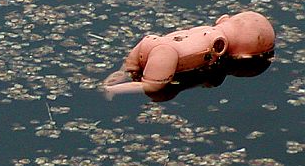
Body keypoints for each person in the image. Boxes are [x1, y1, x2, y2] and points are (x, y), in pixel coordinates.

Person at [103, 11, 275, 100]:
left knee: (132, 67)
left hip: (151, 41)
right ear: (242, 55)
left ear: (223, 19)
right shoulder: (218, 43)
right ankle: (114, 90)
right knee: (152, 87)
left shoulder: (205, 29)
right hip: (166, 54)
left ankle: (123, 72)